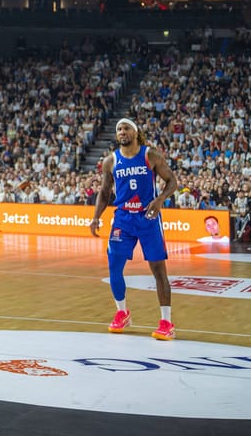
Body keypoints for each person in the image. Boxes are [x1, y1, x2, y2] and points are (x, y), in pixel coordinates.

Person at [89, 118, 178, 341]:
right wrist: (95, 217)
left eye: (126, 128)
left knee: (158, 269)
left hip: (148, 217)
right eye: (119, 128)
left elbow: (172, 182)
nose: (122, 131)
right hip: (123, 219)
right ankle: (122, 312)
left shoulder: (150, 155)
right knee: (114, 266)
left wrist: (160, 200)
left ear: (136, 133)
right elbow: (104, 191)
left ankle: (166, 321)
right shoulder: (111, 161)